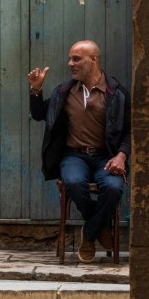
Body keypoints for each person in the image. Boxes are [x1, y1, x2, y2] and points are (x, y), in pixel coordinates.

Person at [28, 40, 130, 263]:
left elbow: (130, 130)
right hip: (74, 156)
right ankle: (100, 226)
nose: (70, 64)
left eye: (76, 59)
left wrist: (121, 156)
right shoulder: (64, 92)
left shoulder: (116, 92)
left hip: (106, 156)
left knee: (113, 187)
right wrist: (36, 89)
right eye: (70, 59)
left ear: (94, 60)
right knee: (73, 182)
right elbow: (39, 115)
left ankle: (90, 232)